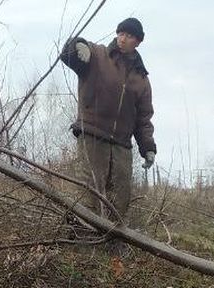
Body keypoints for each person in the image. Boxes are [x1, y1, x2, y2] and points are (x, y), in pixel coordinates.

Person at [59, 17, 156, 225]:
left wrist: (148, 147)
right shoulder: (98, 55)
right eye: (120, 33)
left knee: (120, 197)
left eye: (129, 36)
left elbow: (143, 118)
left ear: (138, 41)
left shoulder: (142, 78)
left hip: (122, 144)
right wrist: (77, 46)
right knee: (89, 191)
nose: (123, 39)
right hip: (92, 134)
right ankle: (80, 238)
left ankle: (111, 242)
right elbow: (69, 54)